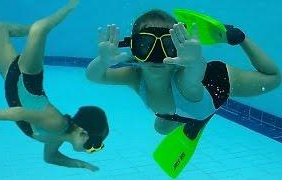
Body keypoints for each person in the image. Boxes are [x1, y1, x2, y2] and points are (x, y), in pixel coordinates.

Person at [0, 0, 108, 171]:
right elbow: (19, 113)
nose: (91, 150)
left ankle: (29, 32)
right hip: (28, 79)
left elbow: (50, 158)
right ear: (84, 132)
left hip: (12, 83)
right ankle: (70, 7)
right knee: (39, 30)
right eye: (94, 145)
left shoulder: (58, 138)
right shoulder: (57, 124)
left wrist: (82, 165)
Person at [86, 9, 281, 135]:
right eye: (145, 46)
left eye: (168, 46)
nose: (156, 57)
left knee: (275, 79)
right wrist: (103, 61)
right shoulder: (134, 76)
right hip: (177, 111)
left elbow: (193, 75)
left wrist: (195, 60)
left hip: (216, 83)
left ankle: (238, 36)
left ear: (179, 49)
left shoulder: (184, 78)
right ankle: (189, 119)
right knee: (160, 129)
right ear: (133, 49)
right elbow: (94, 76)